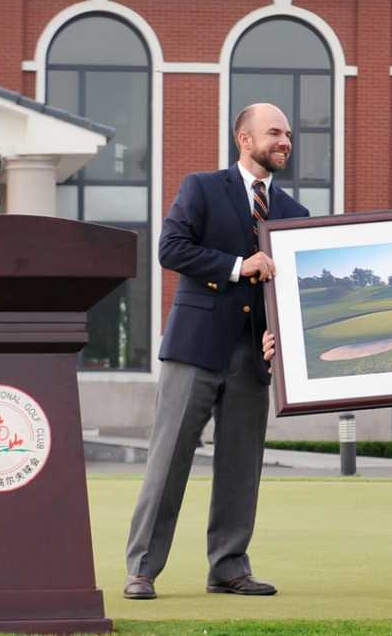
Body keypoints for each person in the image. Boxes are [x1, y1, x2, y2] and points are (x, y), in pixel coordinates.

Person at [123, 103, 309, 600]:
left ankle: (228, 567)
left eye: (288, 134)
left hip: (253, 360)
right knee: (168, 460)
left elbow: (288, 291)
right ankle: (142, 568)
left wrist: (279, 336)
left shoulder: (295, 214)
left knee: (241, 466)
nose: (284, 141)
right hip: (195, 350)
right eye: (274, 132)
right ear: (243, 139)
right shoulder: (202, 188)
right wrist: (237, 266)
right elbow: (171, 249)